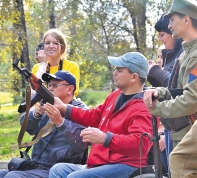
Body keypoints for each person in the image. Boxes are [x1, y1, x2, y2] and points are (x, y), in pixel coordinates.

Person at [45, 52, 155, 178]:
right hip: (101, 163)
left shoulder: (145, 107)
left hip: (126, 166)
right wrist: (64, 108)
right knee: (57, 170)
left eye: (119, 70)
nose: (114, 73)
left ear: (134, 77)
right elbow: (95, 116)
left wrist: (104, 138)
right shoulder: (116, 95)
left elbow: (141, 145)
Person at [143, 0, 197, 177]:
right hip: (184, 128)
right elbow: (182, 89)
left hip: (190, 126)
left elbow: (192, 99)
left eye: (172, 19)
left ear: (187, 20)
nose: (170, 25)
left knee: (179, 160)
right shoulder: (187, 52)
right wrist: (161, 92)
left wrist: (158, 108)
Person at [0, 71, 88, 178]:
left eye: (55, 85)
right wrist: (36, 114)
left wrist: (61, 122)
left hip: (58, 170)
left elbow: (82, 142)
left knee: (13, 177)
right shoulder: (48, 105)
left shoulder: (82, 112)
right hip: (36, 165)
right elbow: (27, 128)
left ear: (70, 89)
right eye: (49, 85)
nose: (50, 88)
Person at [32, 28, 80, 96]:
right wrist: (43, 64)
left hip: (63, 106)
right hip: (41, 106)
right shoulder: (37, 68)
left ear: (62, 47)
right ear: (43, 47)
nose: (51, 46)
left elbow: (71, 93)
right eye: (47, 43)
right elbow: (33, 92)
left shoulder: (71, 66)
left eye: (55, 43)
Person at [148, 13, 183, 87]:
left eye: (162, 35)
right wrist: (150, 74)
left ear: (172, 33)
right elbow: (166, 90)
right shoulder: (170, 56)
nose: (159, 39)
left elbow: (180, 88)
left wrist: (156, 71)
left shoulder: (186, 53)